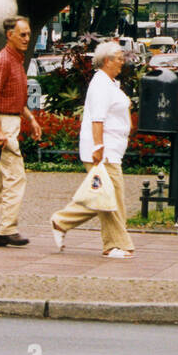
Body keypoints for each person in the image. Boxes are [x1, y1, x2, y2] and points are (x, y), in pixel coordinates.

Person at [51, 41, 135, 257]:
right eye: (118, 57)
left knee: (106, 196)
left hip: (111, 150)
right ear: (106, 61)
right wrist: (98, 147)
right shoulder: (100, 85)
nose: (122, 61)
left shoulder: (109, 83)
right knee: (111, 198)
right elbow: (97, 119)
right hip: (103, 151)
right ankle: (115, 245)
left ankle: (61, 221)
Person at [0, 16, 41, 247]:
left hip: (7, 121)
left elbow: (13, 98)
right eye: (22, 34)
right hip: (2, 124)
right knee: (15, 176)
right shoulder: (3, 60)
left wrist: (31, 119)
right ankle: (6, 229)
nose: (27, 38)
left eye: (28, 34)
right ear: (9, 35)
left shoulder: (15, 60)